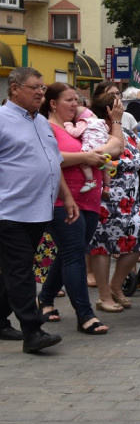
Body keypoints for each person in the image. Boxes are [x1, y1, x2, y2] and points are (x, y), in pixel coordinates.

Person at [0, 67, 78, 354]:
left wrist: (67, 197)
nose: (40, 93)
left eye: (42, 88)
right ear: (14, 88)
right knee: (21, 270)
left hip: (39, 209)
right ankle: (32, 331)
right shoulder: (2, 120)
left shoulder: (42, 123)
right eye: (34, 87)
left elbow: (53, 163)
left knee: (13, 270)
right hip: (9, 210)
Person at [37, 83, 123, 336]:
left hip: (90, 197)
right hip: (62, 199)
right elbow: (53, 158)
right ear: (53, 104)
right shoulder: (46, 127)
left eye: (77, 100)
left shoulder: (83, 125)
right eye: (69, 100)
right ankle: (85, 315)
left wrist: (114, 125)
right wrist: (87, 158)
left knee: (69, 253)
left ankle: (46, 298)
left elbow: (117, 146)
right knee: (74, 253)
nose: (76, 104)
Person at [89, 90, 140, 313]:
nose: (122, 112)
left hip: (130, 200)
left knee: (138, 241)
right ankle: (104, 295)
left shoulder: (127, 133)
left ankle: (117, 284)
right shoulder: (95, 132)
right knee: (102, 247)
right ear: (108, 111)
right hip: (105, 200)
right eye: (118, 109)